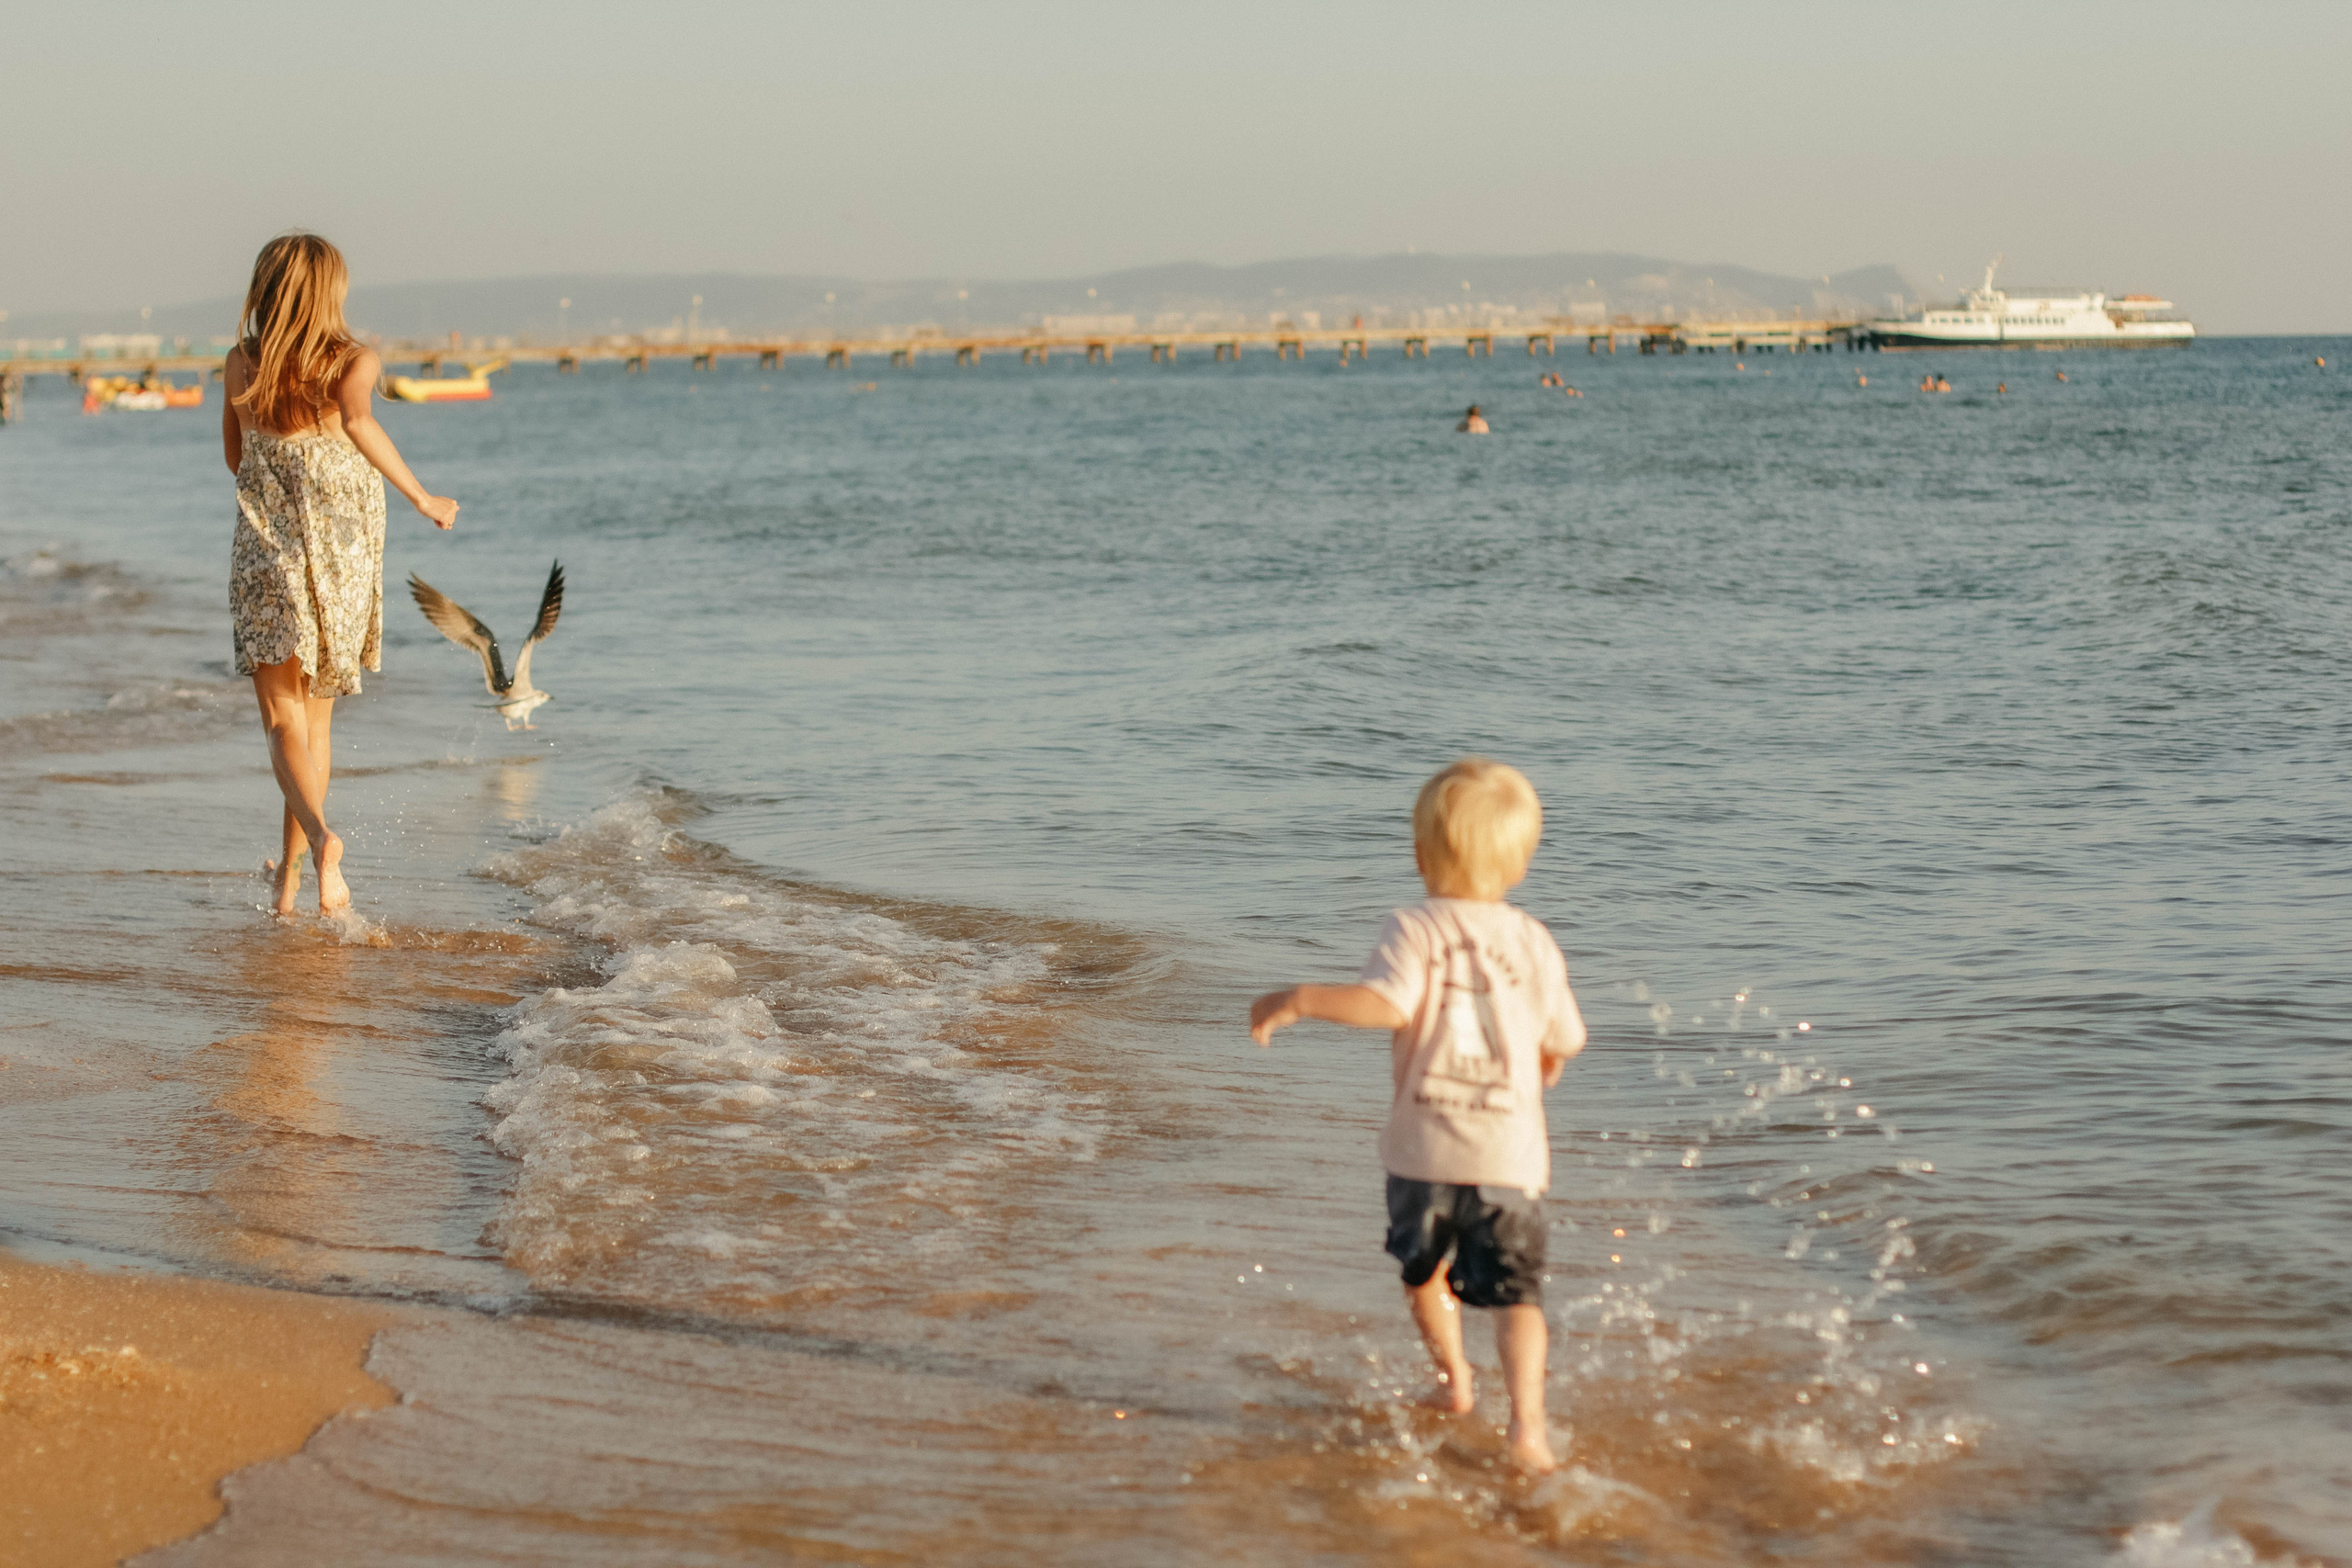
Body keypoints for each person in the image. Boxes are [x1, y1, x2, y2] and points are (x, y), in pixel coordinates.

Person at [1250, 759, 1588, 1474]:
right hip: (1510, 1158)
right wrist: (1543, 1063)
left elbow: (1389, 1005)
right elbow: (1565, 1039)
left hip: (1425, 1152)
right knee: (1517, 1295)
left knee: (1423, 1273)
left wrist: (1303, 996)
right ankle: (1528, 1428)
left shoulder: (1415, 925)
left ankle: (1454, 1381)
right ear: (1522, 862)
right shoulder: (1534, 940)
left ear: (1418, 852)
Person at [220, 232, 459, 917]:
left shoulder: (242, 363)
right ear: (331, 293)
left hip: (271, 552)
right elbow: (359, 424)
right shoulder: (355, 361)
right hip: (346, 555)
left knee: (279, 721)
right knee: (315, 728)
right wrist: (423, 498)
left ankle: (322, 842)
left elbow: (236, 457)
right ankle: (293, 885)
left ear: (265, 291)